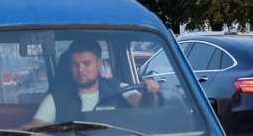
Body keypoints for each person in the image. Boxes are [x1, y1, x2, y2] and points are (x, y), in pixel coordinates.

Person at [30, 38, 161, 126]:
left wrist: (149, 95)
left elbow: (144, 107)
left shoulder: (119, 89)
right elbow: (36, 130)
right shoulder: (57, 98)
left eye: (86, 63)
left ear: (99, 64)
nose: (80, 69)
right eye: (75, 64)